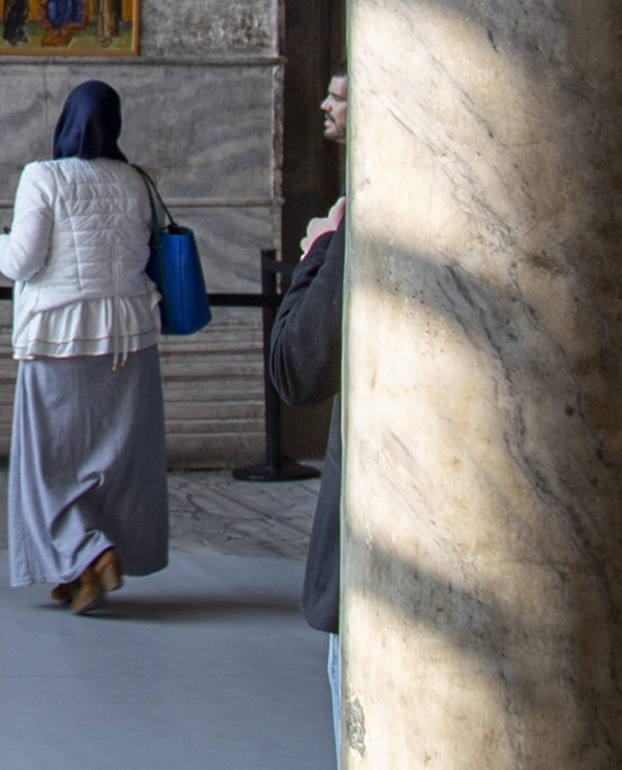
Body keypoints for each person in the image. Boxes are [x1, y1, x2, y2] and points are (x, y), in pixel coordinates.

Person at [0, 78, 168, 612]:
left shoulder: (42, 177)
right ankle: (80, 566)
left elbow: (22, 259)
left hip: (58, 336)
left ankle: (89, 552)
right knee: (109, 463)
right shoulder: (137, 181)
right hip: (130, 338)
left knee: (47, 466)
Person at [273, 69, 348, 749]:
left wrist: (321, 250)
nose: (325, 103)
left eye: (343, 92)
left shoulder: (365, 222)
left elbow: (298, 364)